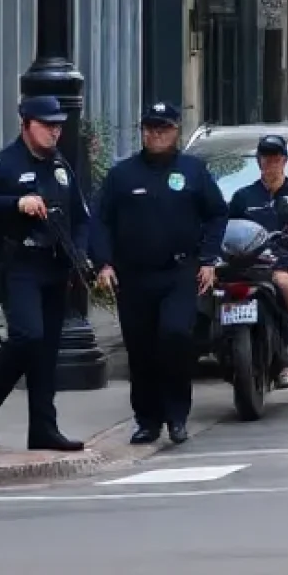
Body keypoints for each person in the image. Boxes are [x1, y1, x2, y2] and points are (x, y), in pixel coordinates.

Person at [0, 95, 90, 452]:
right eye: (47, 125)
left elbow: (80, 217)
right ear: (26, 124)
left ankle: (44, 428)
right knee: (27, 336)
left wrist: (80, 252)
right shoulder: (3, 164)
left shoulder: (60, 166)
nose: (54, 132)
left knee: (46, 351)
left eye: (58, 126)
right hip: (18, 263)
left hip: (54, 264)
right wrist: (15, 203)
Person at [92, 102, 227, 445]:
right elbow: (100, 221)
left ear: (176, 131)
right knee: (140, 350)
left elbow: (216, 214)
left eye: (163, 128)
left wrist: (209, 259)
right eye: (150, 128)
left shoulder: (193, 171)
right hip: (133, 276)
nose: (156, 135)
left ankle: (177, 415)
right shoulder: (122, 175)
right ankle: (147, 419)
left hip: (179, 272)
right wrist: (104, 263)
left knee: (175, 337)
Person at [226, 134, 288, 373]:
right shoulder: (243, 197)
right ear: (258, 162)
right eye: (266, 158)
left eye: (276, 158)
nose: (271, 164)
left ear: (285, 161)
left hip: (286, 258)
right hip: (251, 263)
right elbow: (225, 227)